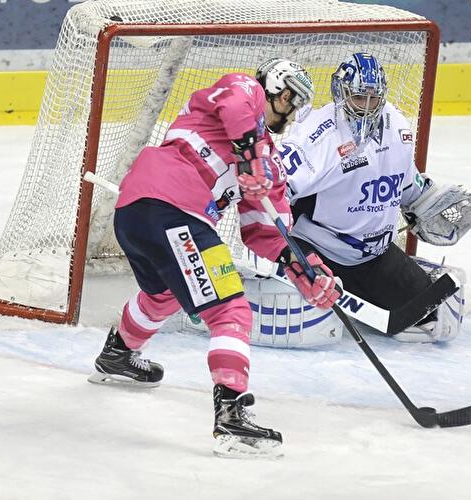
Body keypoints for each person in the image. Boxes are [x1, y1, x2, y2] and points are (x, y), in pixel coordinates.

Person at [87, 58, 340, 458]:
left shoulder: (270, 165)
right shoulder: (246, 91)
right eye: (292, 104)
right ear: (281, 92)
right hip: (174, 208)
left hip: (139, 213)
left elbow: (263, 230)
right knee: (230, 310)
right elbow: (235, 104)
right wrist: (251, 155)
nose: (292, 116)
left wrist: (301, 266)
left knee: (163, 295)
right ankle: (231, 415)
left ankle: (118, 353)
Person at [268, 52, 471, 344]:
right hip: (320, 252)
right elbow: (272, 193)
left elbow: (405, 183)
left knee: (431, 316)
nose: (367, 107)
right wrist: (287, 255)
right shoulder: (317, 136)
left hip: (374, 256)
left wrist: (426, 201)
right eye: (359, 98)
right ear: (341, 94)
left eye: (373, 99)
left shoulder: (396, 125)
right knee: (309, 330)